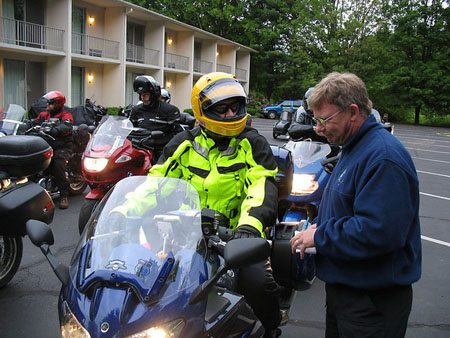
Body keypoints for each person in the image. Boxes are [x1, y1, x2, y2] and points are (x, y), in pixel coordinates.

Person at [115, 72, 282, 337]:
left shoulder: (252, 143)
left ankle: (271, 328)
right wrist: (121, 212)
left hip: (235, 238)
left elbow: (262, 186)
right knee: (146, 283)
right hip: (184, 235)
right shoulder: (184, 143)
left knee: (257, 282)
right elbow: (154, 182)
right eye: (222, 109)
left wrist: (249, 227)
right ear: (202, 111)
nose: (230, 114)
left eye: (235, 107)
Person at [290, 72, 421, 338]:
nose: (318, 129)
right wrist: (318, 224)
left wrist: (320, 235)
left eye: (324, 120)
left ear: (352, 111)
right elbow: (349, 208)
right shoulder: (353, 147)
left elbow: (379, 231)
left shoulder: (383, 158)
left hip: (371, 302)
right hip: (348, 293)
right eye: (316, 120)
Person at [34, 90, 74, 209]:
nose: (47, 106)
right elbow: (35, 121)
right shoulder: (44, 115)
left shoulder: (65, 115)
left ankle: (63, 195)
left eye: (50, 103)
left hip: (63, 146)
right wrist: (25, 124)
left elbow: (67, 125)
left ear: (58, 104)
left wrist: (57, 129)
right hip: (47, 145)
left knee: (58, 164)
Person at [130, 75, 181, 160]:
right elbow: (129, 127)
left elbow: (177, 134)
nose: (143, 97)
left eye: (145, 94)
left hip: (160, 151)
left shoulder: (170, 110)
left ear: (154, 94)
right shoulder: (136, 110)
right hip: (139, 148)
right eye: (141, 94)